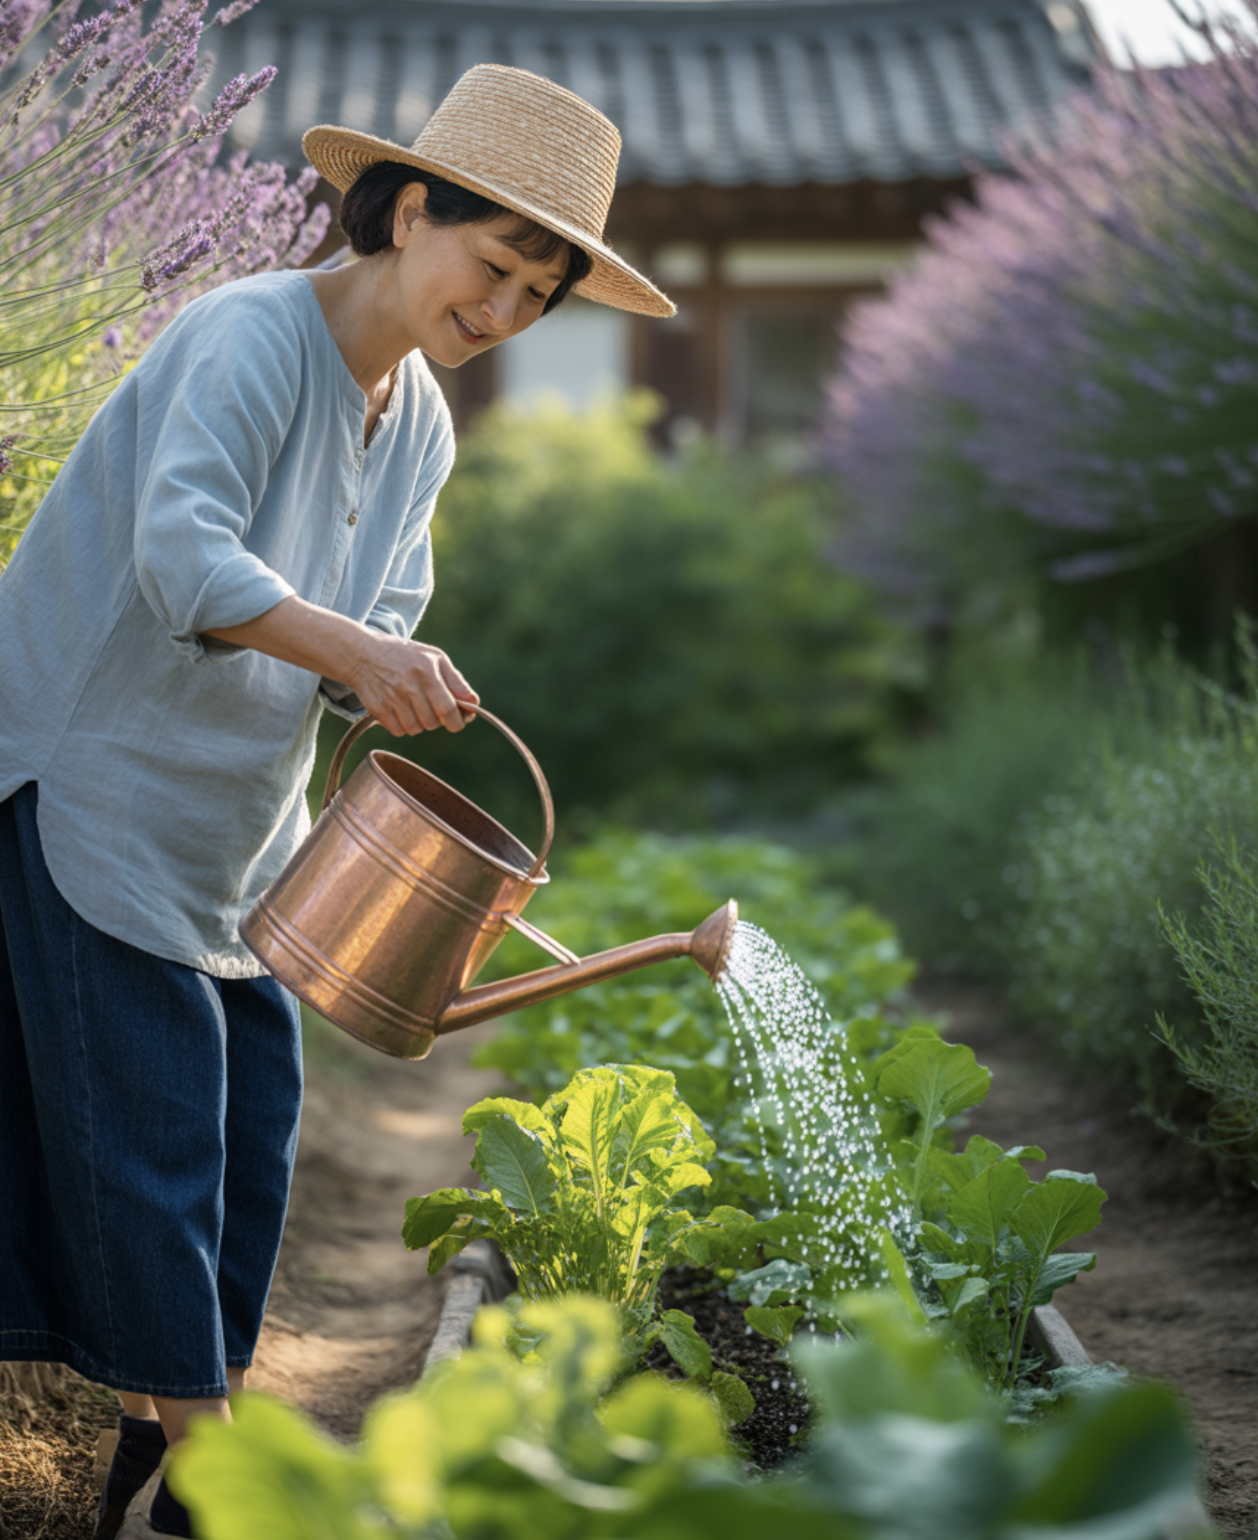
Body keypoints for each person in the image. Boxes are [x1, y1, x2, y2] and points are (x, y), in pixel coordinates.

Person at [0, 63, 673, 1540]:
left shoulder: (416, 412)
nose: (501, 314)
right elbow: (186, 564)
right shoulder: (245, 335)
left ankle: (150, 1465)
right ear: (410, 208)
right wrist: (362, 651)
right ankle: (218, 1480)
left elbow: (387, 604)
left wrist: (382, 677)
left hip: (241, 826)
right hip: (93, 786)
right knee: (149, 1145)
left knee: (242, 1156)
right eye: (491, 266)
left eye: (536, 297)